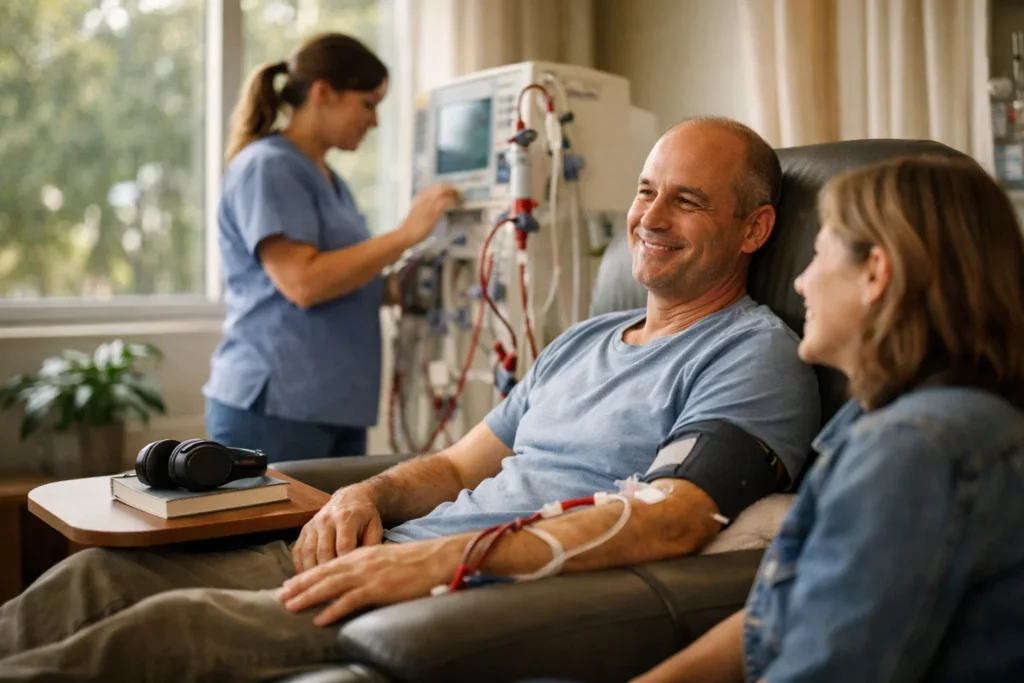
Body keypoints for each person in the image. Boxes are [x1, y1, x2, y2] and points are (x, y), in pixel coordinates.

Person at [0, 118, 821, 682]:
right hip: (389, 551)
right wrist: (365, 496)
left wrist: (445, 559)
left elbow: (673, 519)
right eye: (647, 190)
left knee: (162, 631)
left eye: (687, 200)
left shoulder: (752, 354)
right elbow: (458, 466)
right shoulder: (583, 339)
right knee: (97, 577)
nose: (650, 216)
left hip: (469, 589)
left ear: (753, 230)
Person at [631, 155, 1024, 683]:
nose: (800, 283)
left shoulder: (912, 449)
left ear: (875, 272)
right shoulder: (887, 424)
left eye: (818, 255)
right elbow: (780, 619)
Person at [202, 32, 460, 462]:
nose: (374, 122)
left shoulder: (328, 178)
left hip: (334, 404)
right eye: (368, 104)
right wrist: (405, 234)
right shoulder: (269, 167)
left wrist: (405, 285)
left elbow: (344, 278)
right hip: (277, 406)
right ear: (323, 93)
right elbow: (303, 282)